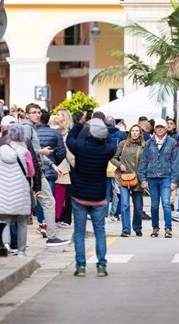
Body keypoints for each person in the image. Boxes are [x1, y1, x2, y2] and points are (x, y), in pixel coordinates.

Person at [66, 117, 117, 277]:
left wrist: (80, 123)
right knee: (100, 231)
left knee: (79, 232)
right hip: (99, 196)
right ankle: (101, 266)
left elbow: (70, 138)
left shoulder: (80, 147)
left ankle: (81, 267)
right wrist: (104, 128)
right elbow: (110, 143)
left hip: (80, 194)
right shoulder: (107, 151)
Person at [22, 103, 68, 247]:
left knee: (30, 204)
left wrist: (52, 165)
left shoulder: (31, 128)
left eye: (38, 112)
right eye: (33, 112)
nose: (37, 115)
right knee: (48, 202)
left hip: (35, 170)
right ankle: (51, 237)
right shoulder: (27, 128)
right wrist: (42, 153)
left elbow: (35, 150)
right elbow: (24, 150)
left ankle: (15, 242)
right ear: (27, 114)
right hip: (32, 171)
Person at [0, 125, 35, 256]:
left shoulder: (2, 149)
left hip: (3, 189)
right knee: (21, 221)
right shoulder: (25, 152)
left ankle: (6, 245)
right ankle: (21, 250)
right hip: (20, 190)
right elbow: (31, 172)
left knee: (5, 219)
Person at [137, 118, 179, 238]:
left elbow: (176, 163)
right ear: (154, 129)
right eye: (157, 127)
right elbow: (143, 161)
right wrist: (143, 179)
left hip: (166, 178)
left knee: (166, 203)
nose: (160, 129)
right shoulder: (149, 143)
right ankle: (155, 228)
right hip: (151, 178)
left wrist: (174, 181)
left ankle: (168, 228)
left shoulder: (172, 143)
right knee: (154, 205)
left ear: (166, 128)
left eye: (162, 127)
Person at [111, 124, 145, 237]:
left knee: (138, 206)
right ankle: (126, 229)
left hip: (138, 179)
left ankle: (137, 227)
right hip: (124, 178)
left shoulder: (144, 146)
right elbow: (113, 157)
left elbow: (146, 162)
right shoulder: (123, 144)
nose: (135, 133)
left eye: (137, 131)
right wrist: (120, 165)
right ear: (130, 132)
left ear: (140, 133)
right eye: (133, 131)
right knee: (125, 204)